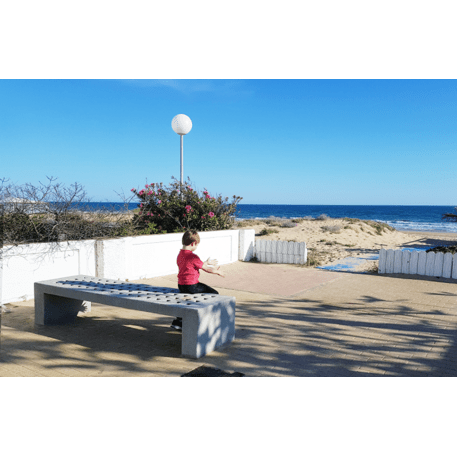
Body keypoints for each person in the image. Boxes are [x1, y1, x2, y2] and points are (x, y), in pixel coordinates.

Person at [170, 229, 224, 331]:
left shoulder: (180, 255)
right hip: (192, 285)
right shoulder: (193, 256)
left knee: (187, 300)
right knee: (214, 294)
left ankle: (178, 321)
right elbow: (206, 269)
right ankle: (206, 320)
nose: (196, 247)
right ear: (194, 243)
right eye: (197, 245)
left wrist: (205, 262)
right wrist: (217, 272)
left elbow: (191, 265)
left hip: (181, 285)